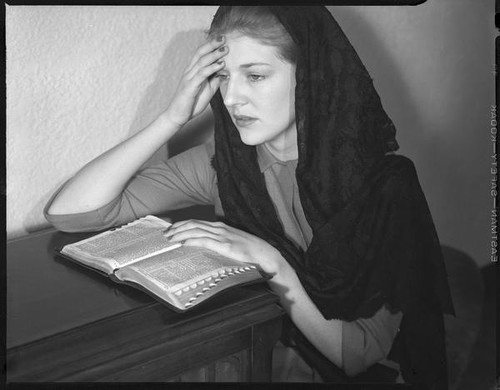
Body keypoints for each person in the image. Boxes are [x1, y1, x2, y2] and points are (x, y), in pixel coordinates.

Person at [44, 5, 455, 388]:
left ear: (311, 77)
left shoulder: (386, 186)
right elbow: (73, 213)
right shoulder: (226, 165)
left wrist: (272, 263)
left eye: (255, 75)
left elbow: (357, 356)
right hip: (261, 354)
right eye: (223, 76)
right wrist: (172, 117)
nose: (232, 98)